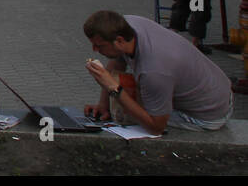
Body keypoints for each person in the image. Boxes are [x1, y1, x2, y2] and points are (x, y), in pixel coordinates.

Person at [82, 10, 233, 133]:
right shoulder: (128, 24)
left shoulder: (153, 71)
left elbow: (156, 127)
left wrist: (114, 89)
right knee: (127, 100)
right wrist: (103, 105)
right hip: (219, 90)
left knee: (124, 114)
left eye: (100, 46)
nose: (95, 50)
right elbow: (117, 61)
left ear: (120, 41)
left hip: (209, 115)